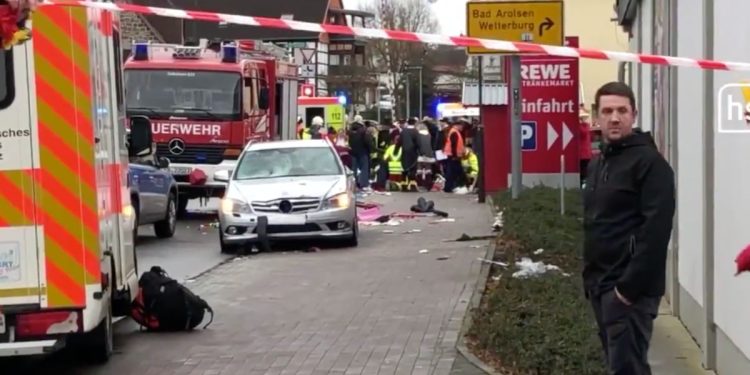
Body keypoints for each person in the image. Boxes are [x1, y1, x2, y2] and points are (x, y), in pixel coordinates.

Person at [582, 81, 675, 375]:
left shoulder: (650, 164)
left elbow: (656, 234)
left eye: (622, 110)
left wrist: (627, 290)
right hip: (601, 285)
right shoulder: (599, 164)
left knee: (628, 369)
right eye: (607, 111)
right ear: (597, 116)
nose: (614, 117)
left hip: (628, 292)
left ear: (633, 115)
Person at [347, 118, 374, 191]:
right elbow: (367, 141)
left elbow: (349, 141)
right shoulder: (363, 130)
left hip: (353, 152)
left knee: (354, 169)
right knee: (364, 168)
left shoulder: (350, 130)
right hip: (362, 151)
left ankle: (353, 184)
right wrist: (370, 150)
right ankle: (363, 184)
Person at [442, 118, 467, 193]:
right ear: (457, 125)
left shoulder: (454, 132)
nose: (462, 128)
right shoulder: (455, 132)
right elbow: (454, 145)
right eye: (461, 126)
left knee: (453, 172)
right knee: (453, 172)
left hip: (453, 155)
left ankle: (452, 186)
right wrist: (455, 156)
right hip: (454, 156)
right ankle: (455, 186)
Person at [398, 117, 421, 192]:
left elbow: (399, 142)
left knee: (404, 168)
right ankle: (412, 186)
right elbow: (418, 143)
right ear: (414, 123)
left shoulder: (403, 131)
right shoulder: (416, 132)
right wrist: (420, 151)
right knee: (413, 168)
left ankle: (404, 186)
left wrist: (396, 150)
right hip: (413, 152)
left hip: (404, 152)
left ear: (407, 123)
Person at [579, 108, 593, 185]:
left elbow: (583, 133)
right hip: (582, 154)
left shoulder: (585, 126)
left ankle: (584, 184)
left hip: (584, 155)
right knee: (582, 173)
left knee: (584, 173)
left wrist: (580, 123)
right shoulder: (585, 126)